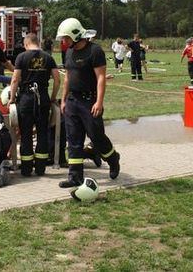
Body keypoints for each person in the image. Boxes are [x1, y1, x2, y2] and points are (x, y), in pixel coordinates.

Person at [56, 18, 120, 188]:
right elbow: (68, 78)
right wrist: (63, 100)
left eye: (66, 38)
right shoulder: (69, 52)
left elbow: (100, 78)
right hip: (72, 102)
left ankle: (113, 159)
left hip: (89, 101)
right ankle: (75, 177)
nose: (63, 41)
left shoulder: (95, 51)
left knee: (96, 137)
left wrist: (99, 102)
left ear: (76, 35)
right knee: (74, 140)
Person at [8, 33, 60, 177]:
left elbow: (15, 80)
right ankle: (40, 168)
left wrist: (12, 98)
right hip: (43, 98)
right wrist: (53, 98)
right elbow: (57, 80)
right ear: (38, 43)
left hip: (26, 99)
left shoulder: (22, 57)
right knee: (43, 132)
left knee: (26, 133)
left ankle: (26, 169)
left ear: (26, 44)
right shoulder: (48, 57)